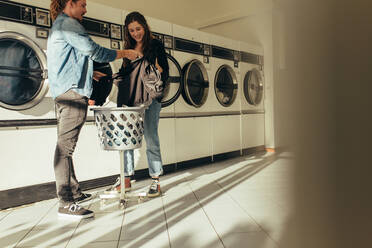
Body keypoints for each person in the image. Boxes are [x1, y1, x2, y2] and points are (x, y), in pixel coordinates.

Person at [48, 0, 139, 219]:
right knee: (65, 148)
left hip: (64, 91)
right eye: (83, 4)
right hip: (72, 93)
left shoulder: (61, 25)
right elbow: (94, 51)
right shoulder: (69, 23)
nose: (85, 9)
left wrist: (91, 75)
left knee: (65, 146)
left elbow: (70, 60)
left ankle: (74, 193)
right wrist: (125, 53)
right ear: (70, 3)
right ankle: (66, 202)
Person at [107, 11, 169, 198]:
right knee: (126, 137)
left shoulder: (155, 44)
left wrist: (154, 70)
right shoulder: (128, 47)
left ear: (145, 26)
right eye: (132, 30)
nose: (136, 33)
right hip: (132, 99)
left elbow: (164, 71)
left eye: (138, 29)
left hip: (150, 98)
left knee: (151, 137)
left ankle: (155, 179)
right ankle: (126, 177)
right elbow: (126, 73)